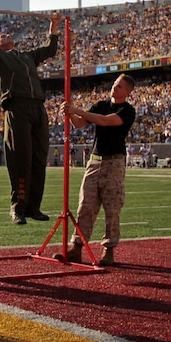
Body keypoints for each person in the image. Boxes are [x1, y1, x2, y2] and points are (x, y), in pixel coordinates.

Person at [0, 4, 63, 225]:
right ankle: (17, 207)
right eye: (0, 35)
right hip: (16, 107)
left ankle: (33, 207)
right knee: (20, 159)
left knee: (39, 158)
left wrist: (54, 24)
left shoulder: (27, 56)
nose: (5, 34)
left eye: (6, 33)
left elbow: (49, 50)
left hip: (38, 107)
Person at [54, 74, 136, 266]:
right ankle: (77, 247)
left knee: (112, 207)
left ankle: (108, 250)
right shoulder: (101, 104)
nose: (115, 88)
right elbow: (80, 124)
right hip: (95, 161)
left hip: (113, 163)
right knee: (85, 206)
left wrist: (78, 110)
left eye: (120, 87)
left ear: (128, 92)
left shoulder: (127, 110)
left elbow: (105, 121)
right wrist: (70, 113)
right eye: (115, 84)